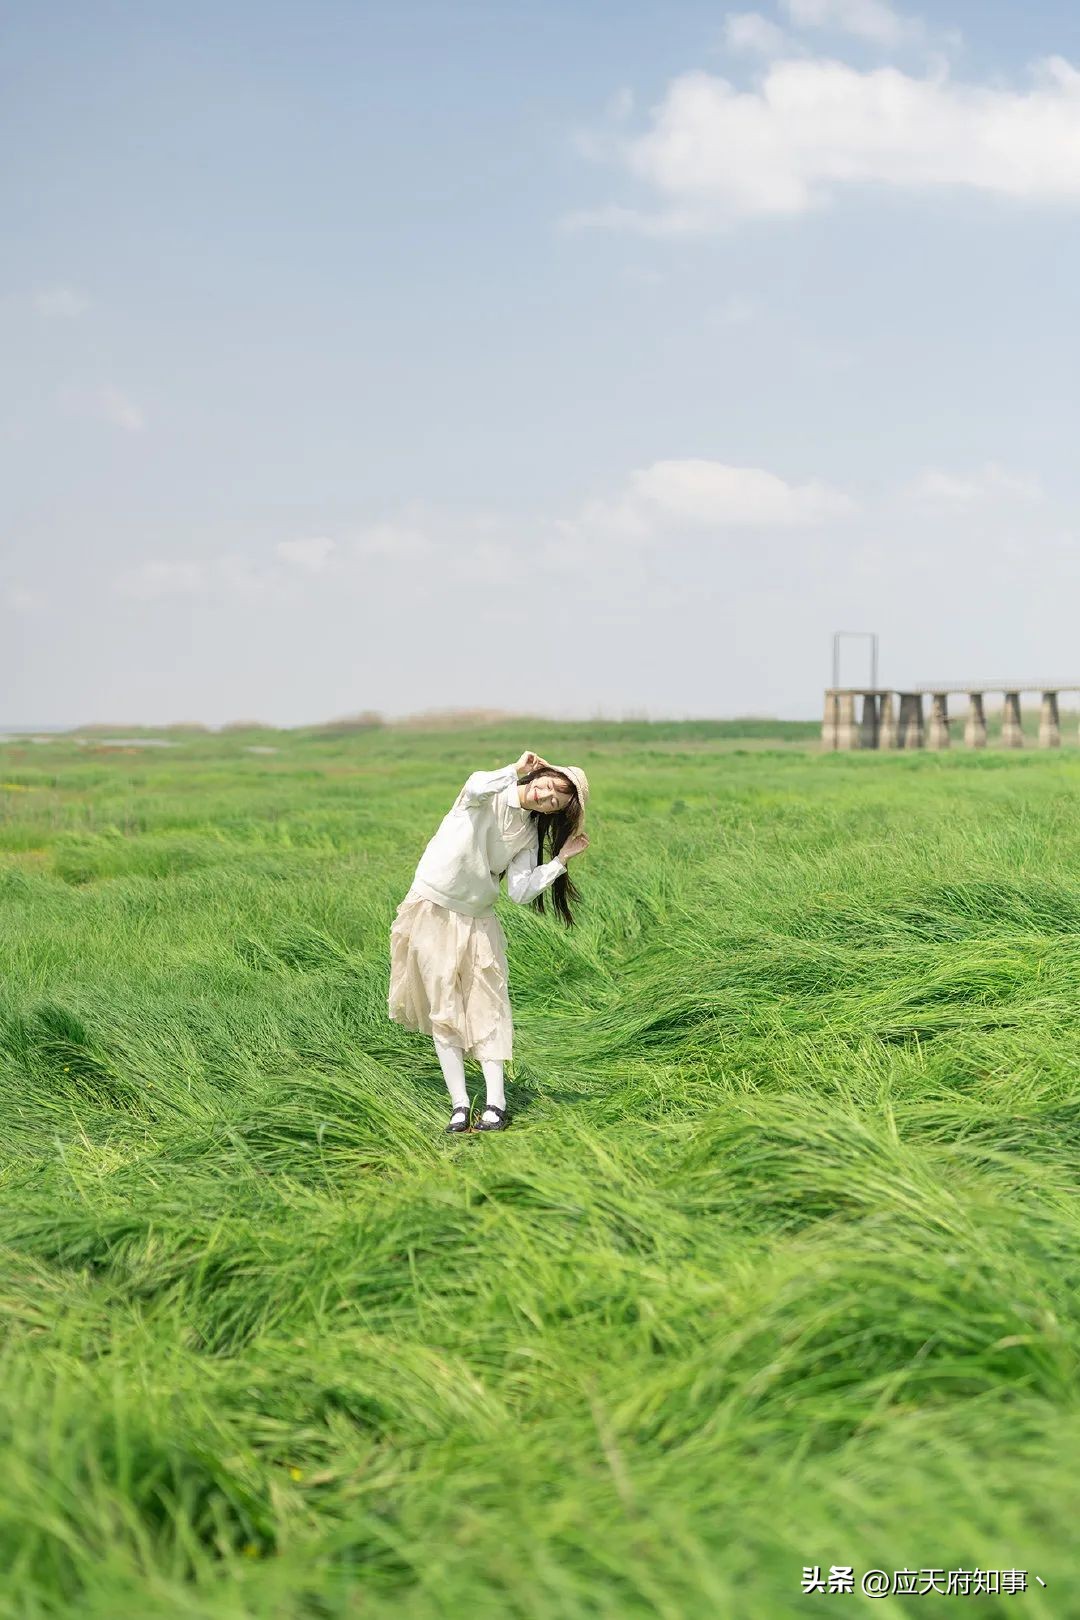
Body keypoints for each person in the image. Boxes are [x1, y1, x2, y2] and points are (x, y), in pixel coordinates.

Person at [389, 751, 589, 1132]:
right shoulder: (486, 793)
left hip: (478, 919)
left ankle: (496, 1105)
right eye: (548, 787)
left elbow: (519, 891)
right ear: (539, 774)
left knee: (488, 1006)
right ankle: (460, 1105)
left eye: (555, 802)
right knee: (443, 1006)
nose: (545, 797)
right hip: (432, 908)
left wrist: (560, 859)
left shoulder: (528, 834)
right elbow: (474, 783)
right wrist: (514, 769)